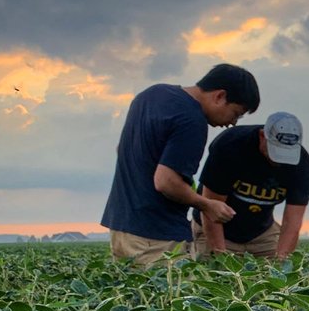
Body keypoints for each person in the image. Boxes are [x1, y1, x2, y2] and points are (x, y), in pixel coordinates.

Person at [100, 64, 261, 266]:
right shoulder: (192, 120)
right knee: (176, 295)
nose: (233, 123)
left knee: (135, 295)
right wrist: (207, 204)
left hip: (121, 225)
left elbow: (122, 149)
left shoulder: (151, 95)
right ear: (220, 96)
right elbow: (165, 181)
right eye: (236, 113)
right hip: (156, 235)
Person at [190, 111, 309, 261]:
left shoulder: (302, 165)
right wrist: (221, 258)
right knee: (216, 278)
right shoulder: (230, 146)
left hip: (261, 232)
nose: (280, 161)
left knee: (275, 277)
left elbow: (292, 221)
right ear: (262, 136)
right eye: (275, 152)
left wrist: (282, 261)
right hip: (216, 229)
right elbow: (210, 208)